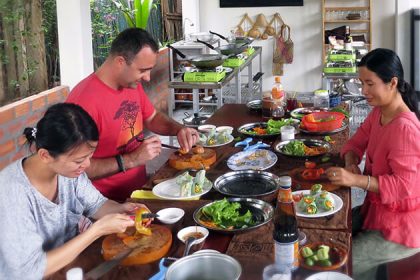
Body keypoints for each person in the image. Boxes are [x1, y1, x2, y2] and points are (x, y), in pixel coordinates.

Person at [0, 103, 151, 279]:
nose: (86, 165)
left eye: (89, 156)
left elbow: (96, 204)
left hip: (69, 268)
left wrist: (125, 210)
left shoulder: (67, 171)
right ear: (45, 155)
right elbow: (29, 271)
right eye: (79, 160)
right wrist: (96, 230)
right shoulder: (11, 193)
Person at [67, 28, 199, 201]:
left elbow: (151, 118)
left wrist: (179, 129)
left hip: (139, 191)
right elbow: (73, 168)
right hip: (104, 205)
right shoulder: (83, 102)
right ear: (120, 62)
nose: (147, 78)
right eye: (143, 70)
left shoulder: (130, 85)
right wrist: (131, 160)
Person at [326, 48, 420, 280]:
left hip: (402, 228)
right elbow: (356, 143)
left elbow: (405, 186)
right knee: (328, 232)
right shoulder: (379, 112)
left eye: (370, 84)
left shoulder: (404, 128)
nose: (363, 91)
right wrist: (350, 161)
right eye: (361, 84)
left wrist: (355, 180)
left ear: (392, 83)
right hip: (377, 212)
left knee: (339, 263)